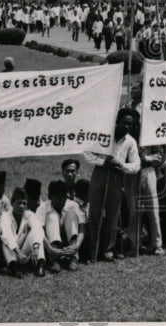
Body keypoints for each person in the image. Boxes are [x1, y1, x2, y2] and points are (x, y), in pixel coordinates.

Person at [84, 108, 141, 261]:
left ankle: (108, 250)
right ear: (117, 122)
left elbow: (136, 165)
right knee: (95, 212)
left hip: (116, 176)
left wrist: (121, 165)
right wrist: (103, 162)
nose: (127, 127)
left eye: (130, 124)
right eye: (124, 123)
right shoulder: (104, 135)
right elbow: (87, 153)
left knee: (113, 214)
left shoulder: (130, 141)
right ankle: (92, 250)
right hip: (100, 173)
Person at [37, 180, 83, 272]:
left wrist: (77, 246)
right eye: (58, 197)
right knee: (52, 216)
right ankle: (54, 260)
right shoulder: (42, 208)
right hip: (50, 243)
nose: (62, 200)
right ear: (50, 197)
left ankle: (74, 258)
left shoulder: (73, 205)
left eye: (64, 197)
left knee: (71, 214)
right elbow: (39, 231)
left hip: (69, 241)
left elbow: (82, 228)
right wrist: (49, 249)